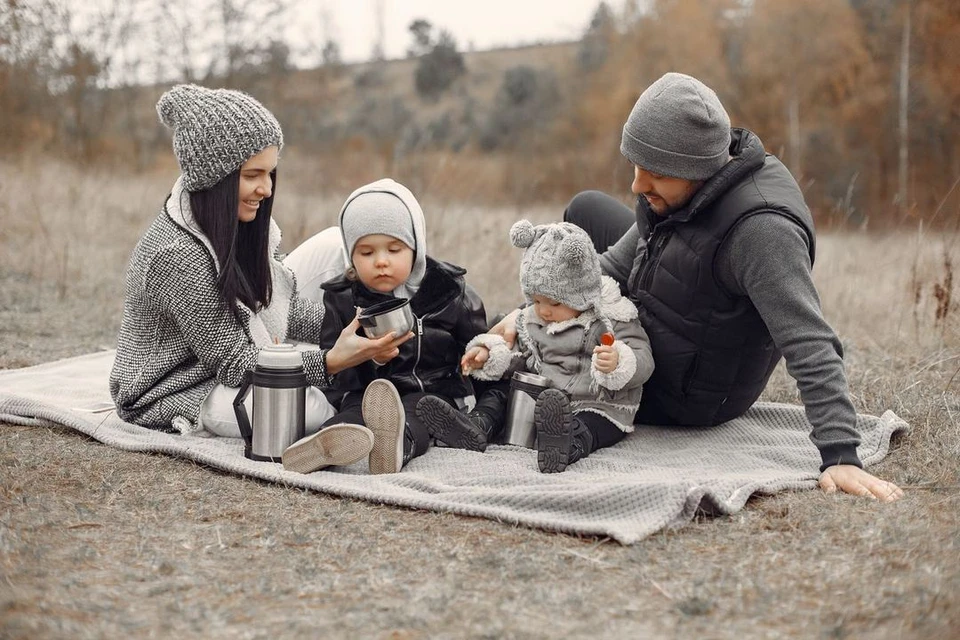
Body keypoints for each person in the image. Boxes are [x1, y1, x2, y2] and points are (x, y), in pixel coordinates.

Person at [484, 72, 903, 501]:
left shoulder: (761, 234)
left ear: (696, 169)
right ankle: (519, 340)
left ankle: (544, 374)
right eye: (636, 166)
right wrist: (527, 314)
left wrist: (840, 454)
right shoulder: (681, 186)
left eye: (655, 173)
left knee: (543, 338)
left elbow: (809, 340)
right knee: (586, 210)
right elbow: (612, 266)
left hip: (691, 386)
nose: (637, 185)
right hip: (672, 306)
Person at [109, 84, 410, 472]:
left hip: (232, 357)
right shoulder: (176, 257)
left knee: (341, 254)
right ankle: (355, 424)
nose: (266, 190)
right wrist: (331, 361)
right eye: (253, 175)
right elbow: (235, 363)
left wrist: (355, 326)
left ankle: (388, 383)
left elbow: (277, 306)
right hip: (178, 389)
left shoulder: (236, 225)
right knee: (310, 406)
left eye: (270, 173)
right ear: (215, 178)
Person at [418, 221, 655, 473]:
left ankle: (568, 443)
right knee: (501, 393)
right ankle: (477, 424)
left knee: (595, 423)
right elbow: (519, 353)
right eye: (536, 299)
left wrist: (618, 361)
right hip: (544, 399)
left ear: (582, 293)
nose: (542, 310)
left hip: (596, 402)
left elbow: (643, 357)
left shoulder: (612, 318)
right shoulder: (534, 318)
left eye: (553, 302)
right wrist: (489, 354)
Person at [305, 178, 490, 474]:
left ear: (415, 246)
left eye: (394, 249)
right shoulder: (342, 297)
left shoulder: (449, 290)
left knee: (418, 414)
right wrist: (365, 358)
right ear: (350, 255)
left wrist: (480, 356)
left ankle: (397, 446)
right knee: (355, 409)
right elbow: (334, 365)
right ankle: (325, 443)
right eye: (366, 253)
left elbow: (479, 343)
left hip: (430, 390)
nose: (381, 261)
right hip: (367, 390)